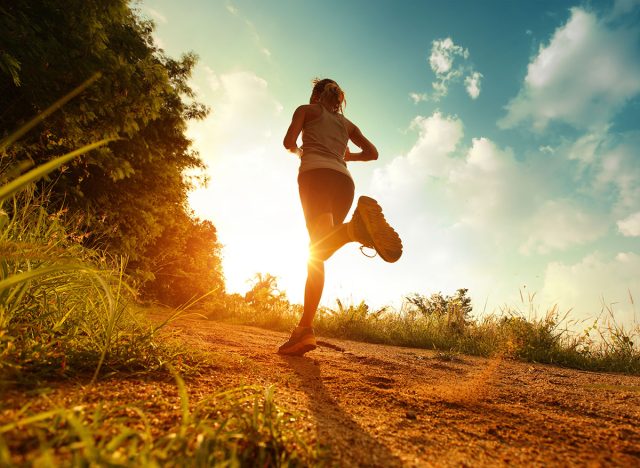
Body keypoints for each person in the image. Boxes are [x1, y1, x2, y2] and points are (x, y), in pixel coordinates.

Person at [278, 78, 402, 356]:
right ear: (338, 98)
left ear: (315, 95)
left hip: (315, 176)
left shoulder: (306, 111)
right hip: (344, 183)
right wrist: (348, 157)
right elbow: (372, 153)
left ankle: (352, 230)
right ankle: (305, 330)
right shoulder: (347, 125)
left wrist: (300, 151)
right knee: (319, 251)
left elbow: (288, 142)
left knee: (317, 250)